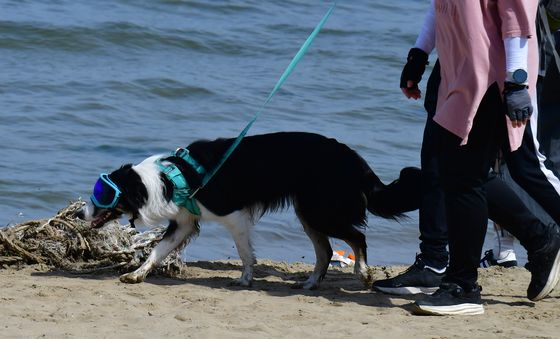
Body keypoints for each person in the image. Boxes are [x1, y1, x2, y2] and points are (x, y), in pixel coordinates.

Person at [373, 0, 560, 316]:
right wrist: (420, 53)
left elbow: (517, 16)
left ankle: (463, 286)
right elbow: (443, 6)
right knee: (457, 174)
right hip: (458, 73)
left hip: (495, 77)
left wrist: (515, 82)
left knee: (517, 170)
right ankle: (460, 281)